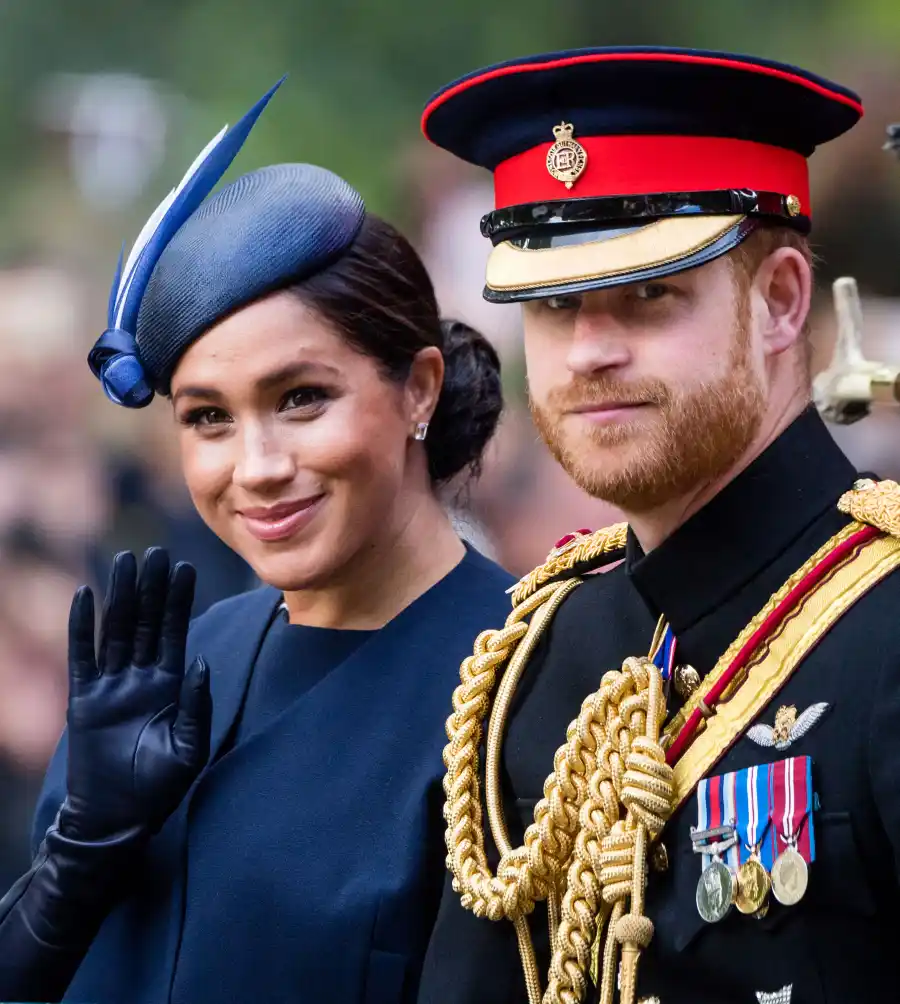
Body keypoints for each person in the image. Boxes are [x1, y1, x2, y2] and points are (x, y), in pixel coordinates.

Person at [0, 80, 513, 1004]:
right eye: (208, 418)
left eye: (301, 398)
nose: (259, 465)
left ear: (418, 390)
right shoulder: (171, 668)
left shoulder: (523, 678)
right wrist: (77, 853)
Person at [415, 47, 900, 1004]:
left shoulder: (886, 628)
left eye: (650, 294)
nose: (591, 349)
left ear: (781, 301)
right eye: (554, 304)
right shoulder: (541, 654)